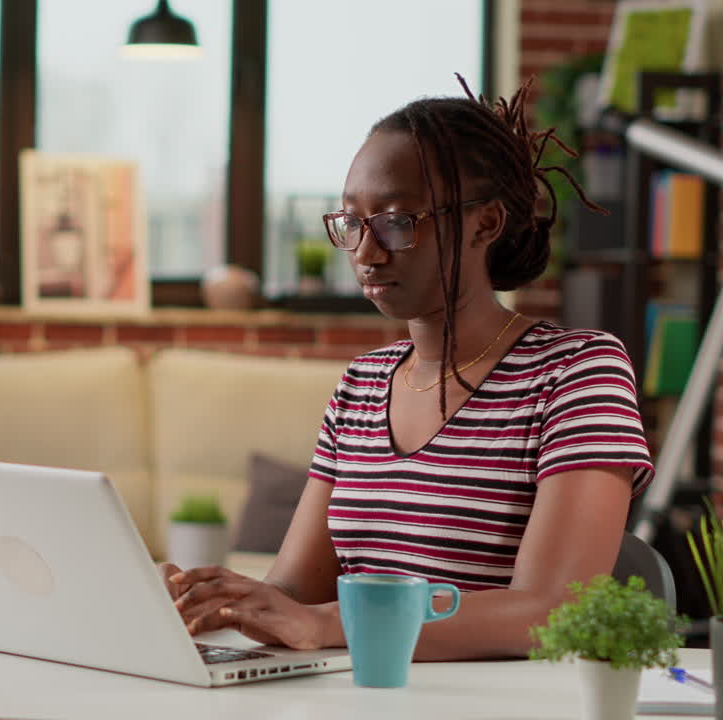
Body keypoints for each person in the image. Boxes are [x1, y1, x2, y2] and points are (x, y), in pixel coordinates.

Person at [163, 75, 655, 661]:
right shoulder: (364, 382)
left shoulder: (575, 372)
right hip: (361, 694)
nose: (366, 254)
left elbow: (551, 610)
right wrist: (220, 601)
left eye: (397, 221)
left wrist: (326, 625)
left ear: (485, 224)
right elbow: (296, 592)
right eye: (352, 223)